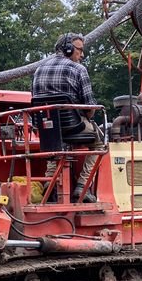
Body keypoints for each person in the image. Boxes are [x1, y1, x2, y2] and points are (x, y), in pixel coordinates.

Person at [31, 33, 105, 201]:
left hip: (45, 127)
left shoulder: (39, 69)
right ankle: (83, 187)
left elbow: (35, 99)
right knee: (100, 141)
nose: (82, 55)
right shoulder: (78, 69)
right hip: (72, 126)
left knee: (54, 142)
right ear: (69, 49)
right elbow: (90, 108)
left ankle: (49, 184)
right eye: (80, 50)